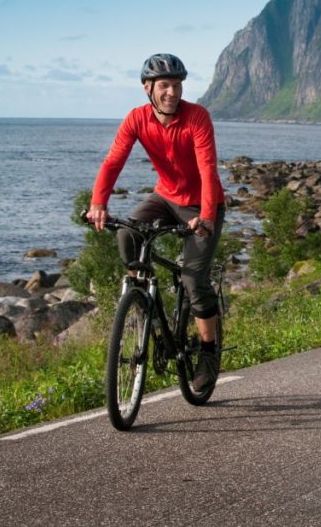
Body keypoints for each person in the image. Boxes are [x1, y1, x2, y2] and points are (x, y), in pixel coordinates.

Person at [87, 53, 226, 392]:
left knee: (194, 280)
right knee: (127, 231)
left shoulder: (197, 117)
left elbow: (207, 169)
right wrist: (98, 203)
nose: (172, 92)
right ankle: (139, 293)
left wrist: (206, 217)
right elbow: (113, 161)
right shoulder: (136, 119)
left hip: (201, 205)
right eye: (164, 85)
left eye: (177, 85)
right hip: (164, 197)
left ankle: (208, 352)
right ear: (147, 88)